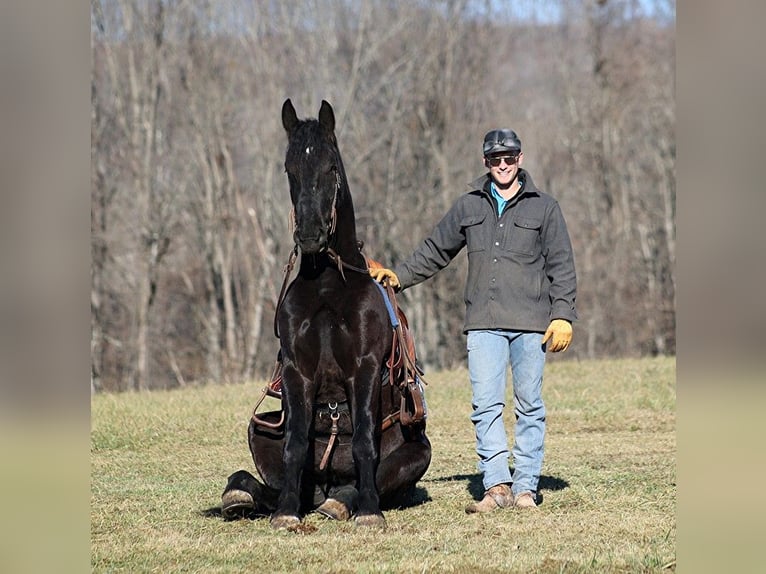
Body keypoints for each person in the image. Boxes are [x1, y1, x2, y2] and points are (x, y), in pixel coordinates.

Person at [369, 128, 577, 512]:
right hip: (483, 323)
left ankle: (527, 488)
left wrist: (562, 314)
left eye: (509, 158)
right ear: (486, 163)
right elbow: (436, 249)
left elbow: (562, 265)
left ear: (520, 159)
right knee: (485, 406)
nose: (503, 165)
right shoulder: (468, 206)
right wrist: (399, 276)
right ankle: (497, 486)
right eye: (496, 160)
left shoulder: (544, 207)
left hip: (532, 324)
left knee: (530, 405)